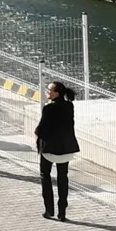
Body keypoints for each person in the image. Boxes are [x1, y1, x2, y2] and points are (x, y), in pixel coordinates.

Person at [34, 81, 80, 218]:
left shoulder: (49, 108)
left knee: (45, 176)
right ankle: (62, 212)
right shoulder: (69, 106)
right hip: (65, 148)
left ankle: (49, 210)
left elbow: (42, 128)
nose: (47, 92)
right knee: (62, 178)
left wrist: (37, 134)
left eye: (50, 90)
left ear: (57, 93)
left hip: (49, 149)